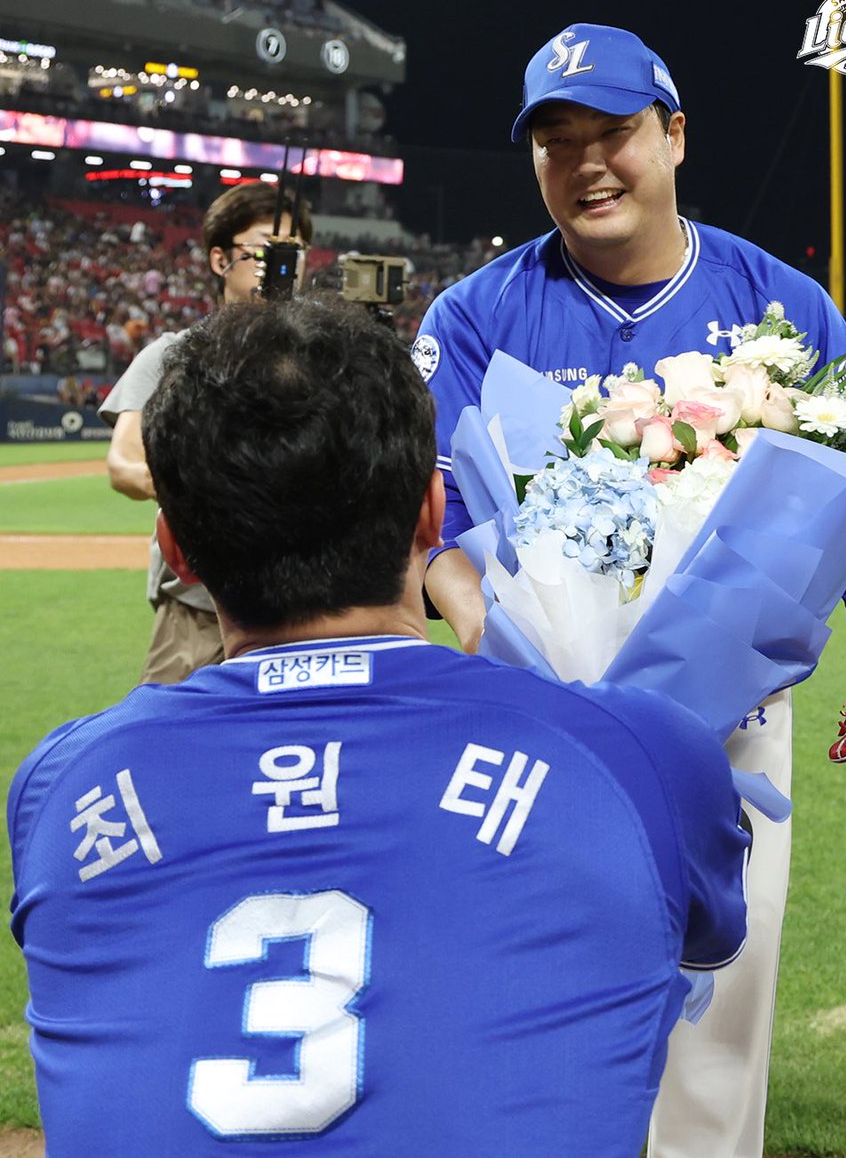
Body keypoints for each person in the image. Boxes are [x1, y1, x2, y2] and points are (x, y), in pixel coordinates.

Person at [8, 295, 748, 1156]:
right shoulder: (639, 756)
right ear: (432, 515)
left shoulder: (60, 786)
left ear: (176, 550)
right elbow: (697, 953)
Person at [413, 23, 846, 1158]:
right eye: (557, 143)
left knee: (719, 1028)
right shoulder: (472, 316)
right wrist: (499, 639)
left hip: (731, 728)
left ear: (676, 136)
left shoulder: (779, 300)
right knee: (537, 998)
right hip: (534, 722)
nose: (587, 163)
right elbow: (436, 519)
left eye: (614, 133)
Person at [98, 182, 313, 684]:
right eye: (261, 247)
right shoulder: (173, 354)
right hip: (199, 609)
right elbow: (123, 466)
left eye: (293, 250)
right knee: (171, 755)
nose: (280, 261)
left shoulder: (327, 359)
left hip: (311, 607)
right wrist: (223, 487)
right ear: (220, 260)